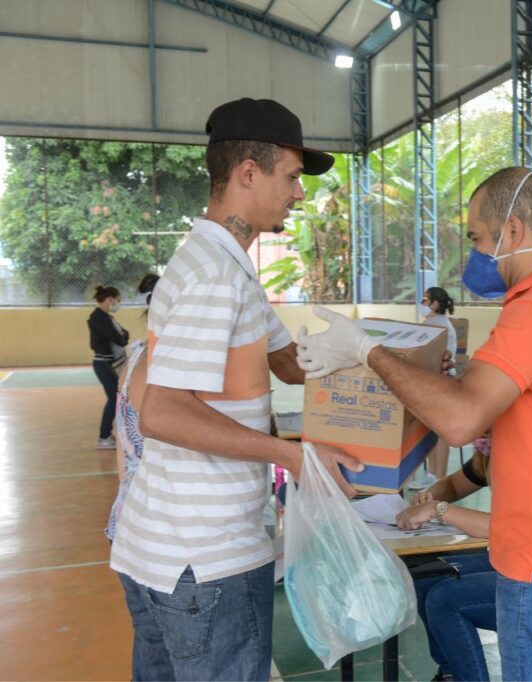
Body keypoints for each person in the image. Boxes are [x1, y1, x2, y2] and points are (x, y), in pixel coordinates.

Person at [297, 167, 532, 681]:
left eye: (479, 238)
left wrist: (366, 350)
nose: (476, 253)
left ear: (513, 232)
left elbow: (459, 422)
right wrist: (457, 376)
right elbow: (528, 394)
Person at [109, 98, 363, 681]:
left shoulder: (226, 267)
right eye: (292, 176)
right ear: (249, 172)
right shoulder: (214, 278)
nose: (300, 193)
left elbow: (290, 363)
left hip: (167, 556)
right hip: (205, 562)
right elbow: (164, 415)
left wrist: (374, 356)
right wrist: (294, 456)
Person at [396, 435, 495, 682]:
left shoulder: (522, 453)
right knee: (429, 572)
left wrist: (439, 510)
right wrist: (430, 496)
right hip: (517, 556)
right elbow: (453, 485)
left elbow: (506, 527)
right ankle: (451, 672)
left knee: (445, 600)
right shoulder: (489, 453)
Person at [105, 274, 160, 541]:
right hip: (155, 525)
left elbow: (123, 452)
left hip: (130, 513)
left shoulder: (137, 356)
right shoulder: (160, 364)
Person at [412, 286, 459, 488]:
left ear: (435, 304)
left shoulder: (439, 325)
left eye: (425, 300)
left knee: (439, 431)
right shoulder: (431, 323)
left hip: (441, 382)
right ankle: (431, 475)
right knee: (429, 430)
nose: (422, 303)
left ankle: (439, 477)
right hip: (431, 382)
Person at [88, 284, 129, 450]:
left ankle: (107, 434)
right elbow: (120, 338)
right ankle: (104, 437)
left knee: (116, 397)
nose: (117, 304)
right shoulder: (99, 318)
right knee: (114, 398)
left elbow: (124, 334)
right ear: (109, 299)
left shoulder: (106, 317)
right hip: (104, 363)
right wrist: (123, 336)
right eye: (117, 300)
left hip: (108, 362)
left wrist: (123, 336)